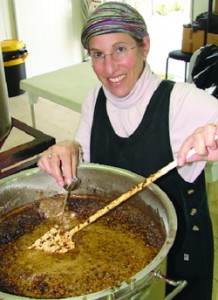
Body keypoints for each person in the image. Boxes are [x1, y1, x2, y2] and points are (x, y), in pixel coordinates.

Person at [38, 2, 218, 299]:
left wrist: (212, 131)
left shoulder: (183, 102)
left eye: (120, 49)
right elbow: (85, 168)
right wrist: (71, 149)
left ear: (144, 46)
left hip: (178, 255)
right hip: (119, 250)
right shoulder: (94, 99)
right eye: (98, 54)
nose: (109, 68)